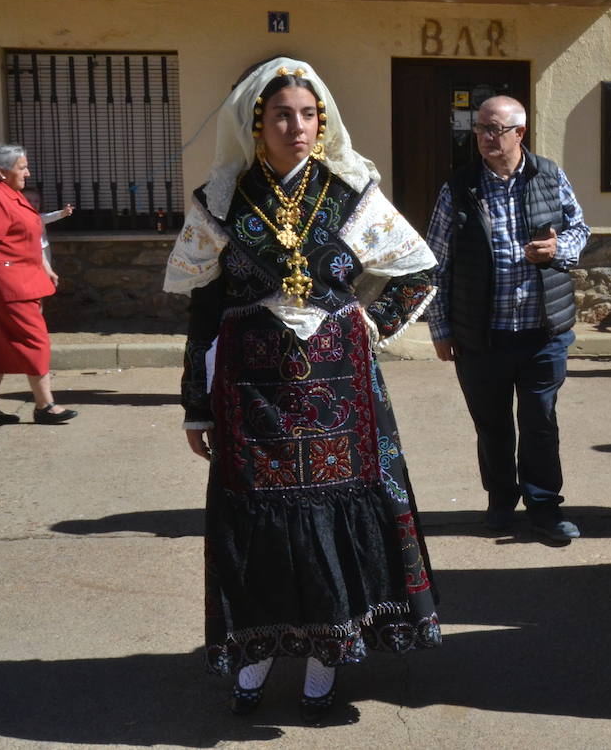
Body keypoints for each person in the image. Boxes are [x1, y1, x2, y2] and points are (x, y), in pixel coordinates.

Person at [164, 58, 441, 721]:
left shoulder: (350, 194)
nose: (297, 126)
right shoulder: (221, 200)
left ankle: (325, 664)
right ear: (256, 124)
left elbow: (418, 269)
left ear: (322, 125)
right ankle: (254, 656)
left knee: (330, 519)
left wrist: (369, 324)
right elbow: (202, 311)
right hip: (250, 395)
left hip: (340, 393)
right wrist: (196, 406)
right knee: (257, 526)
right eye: (282, 115)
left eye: (308, 115)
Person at [426, 95, 591, 544]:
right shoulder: (458, 188)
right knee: (492, 423)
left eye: (495, 129)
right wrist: (440, 329)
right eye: (480, 128)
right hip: (482, 335)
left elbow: (580, 228)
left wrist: (560, 250)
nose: (484, 138)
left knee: (540, 419)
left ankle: (544, 506)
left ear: (520, 133)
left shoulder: (550, 176)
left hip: (542, 332)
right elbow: (435, 264)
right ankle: (500, 499)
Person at [0, 144, 77, 426]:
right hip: (4, 286)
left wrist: (45, 267)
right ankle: (45, 405)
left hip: (18, 280)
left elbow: (26, 237)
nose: (27, 173)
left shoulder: (10, 195)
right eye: (22, 167)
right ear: (3, 172)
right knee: (34, 341)